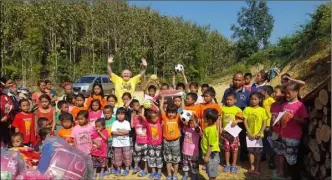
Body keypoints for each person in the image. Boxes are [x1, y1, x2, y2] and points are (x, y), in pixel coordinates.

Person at [279, 83, 309, 179]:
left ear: (296, 92)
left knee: (293, 160)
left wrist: (294, 118)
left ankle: (295, 177)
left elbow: (305, 121)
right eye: (285, 93)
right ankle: (290, 176)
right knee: (287, 158)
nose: (287, 95)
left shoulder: (300, 105)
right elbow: (281, 120)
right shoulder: (284, 105)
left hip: (294, 137)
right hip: (284, 135)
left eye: (289, 93)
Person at [222, 72, 251, 162]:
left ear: (243, 81)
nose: (237, 82)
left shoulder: (247, 93)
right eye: (235, 79)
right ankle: (229, 158)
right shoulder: (227, 91)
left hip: (240, 121)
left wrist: (242, 119)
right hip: (229, 122)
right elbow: (224, 104)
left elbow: (249, 107)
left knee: (242, 139)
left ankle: (243, 157)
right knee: (228, 140)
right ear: (232, 79)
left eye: (239, 80)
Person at [243, 92, 268, 177]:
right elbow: (245, 121)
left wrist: (260, 132)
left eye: (255, 99)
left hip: (258, 136)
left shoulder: (262, 110)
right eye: (251, 99)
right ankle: (252, 167)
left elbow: (264, 123)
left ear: (260, 100)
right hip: (249, 135)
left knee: (258, 153)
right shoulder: (247, 109)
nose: (253, 101)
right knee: (251, 152)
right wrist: (249, 132)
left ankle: (257, 168)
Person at [160, 95, 183, 180]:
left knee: (176, 160)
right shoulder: (165, 117)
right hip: (166, 142)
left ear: (176, 113)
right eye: (169, 112)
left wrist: (182, 99)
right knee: (168, 160)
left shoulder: (177, 117)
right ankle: (169, 174)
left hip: (176, 142)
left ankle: (175, 175)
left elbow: (181, 108)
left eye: (173, 112)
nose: (171, 114)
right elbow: (161, 109)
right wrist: (162, 99)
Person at [220, 92, 243, 173]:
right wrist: (220, 129)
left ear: (235, 100)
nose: (228, 101)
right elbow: (220, 120)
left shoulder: (237, 109)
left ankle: (233, 165)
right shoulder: (222, 108)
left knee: (234, 149)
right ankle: (227, 164)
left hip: (234, 133)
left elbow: (242, 119)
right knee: (226, 149)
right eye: (227, 99)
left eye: (230, 100)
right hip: (225, 132)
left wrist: (237, 121)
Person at [142, 107, 163, 180]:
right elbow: (142, 115)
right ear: (150, 118)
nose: (154, 119)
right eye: (152, 117)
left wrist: (154, 104)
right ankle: (153, 171)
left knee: (159, 158)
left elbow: (160, 111)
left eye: (156, 117)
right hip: (150, 144)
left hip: (158, 144)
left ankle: (159, 172)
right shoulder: (148, 123)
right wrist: (143, 106)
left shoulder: (159, 122)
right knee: (151, 158)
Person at [111, 107, 132, 176]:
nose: (120, 115)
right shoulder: (114, 123)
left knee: (127, 156)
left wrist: (119, 130)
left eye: (122, 114)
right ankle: (118, 168)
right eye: (118, 114)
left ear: (125, 115)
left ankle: (127, 168)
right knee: (117, 157)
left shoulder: (127, 123)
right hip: (116, 144)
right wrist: (122, 132)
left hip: (125, 144)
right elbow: (113, 132)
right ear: (116, 115)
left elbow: (127, 131)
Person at [270, 85, 285, 178]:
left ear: (282, 94)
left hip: (282, 132)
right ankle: (277, 168)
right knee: (276, 151)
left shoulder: (284, 105)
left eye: (276, 92)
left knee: (281, 153)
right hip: (274, 131)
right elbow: (272, 117)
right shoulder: (273, 105)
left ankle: (282, 170)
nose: (274, 94)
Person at [130, 100, 148, 177]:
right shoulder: (135, 118)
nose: (140, 111)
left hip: (145, 142)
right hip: (138, 141)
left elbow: (147, 124)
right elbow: (132, 126)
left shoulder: (145, 119)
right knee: (136, 155)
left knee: (145, 156)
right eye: (139, 110)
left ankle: (146, 170)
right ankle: (136, 167)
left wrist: (142, 116)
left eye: (141, 110)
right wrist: (132, 117)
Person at [201, 108, 220, 180]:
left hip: (211, 154)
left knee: (212, 174)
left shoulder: (212, 130)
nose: (203, 118)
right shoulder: (208, 126)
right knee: (210, 171)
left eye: (204, 117)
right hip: (209, 153)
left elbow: (211, 145)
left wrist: (207, 156)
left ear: (209, 120)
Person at [261, 85, 276, 168]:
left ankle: (271, 159)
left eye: (262, 90)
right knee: (264, 141)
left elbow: (273, 113)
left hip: (269, 124)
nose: (260, 91)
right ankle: (264, 155)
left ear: (265, 91)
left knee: (269, 142)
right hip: (264, 124)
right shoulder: (263, 100)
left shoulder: (271, 100)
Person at [182, 115, 201, 180]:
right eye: (190, 123)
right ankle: (186, 174)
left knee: (194, 165)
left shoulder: (197, 129)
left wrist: (195, 123)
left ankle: (194, 175)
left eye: (192, 123)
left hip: (194, 152)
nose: (191, 124)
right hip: (185, 150)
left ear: (196, 122)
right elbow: (183, 126)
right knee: (185, 164)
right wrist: (185, 122)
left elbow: (199, 131)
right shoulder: (186, 128)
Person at [103, 106, 117, 175]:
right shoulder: (102, 121)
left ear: (112, 113)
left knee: (113, 155)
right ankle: (106, 168)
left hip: (114, 141)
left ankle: (112, 167)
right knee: (106, 156)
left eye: (108, 113)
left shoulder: (115, 120)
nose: (106, 114)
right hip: (105, 142)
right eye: (105, 113)